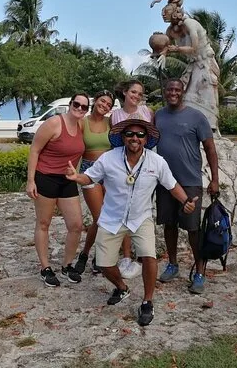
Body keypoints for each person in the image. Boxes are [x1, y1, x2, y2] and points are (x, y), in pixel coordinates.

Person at [66, 118, 198, 326]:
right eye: (130, 134)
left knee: (149, 257)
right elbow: (90, 177)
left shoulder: (157, 161)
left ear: (146, 139)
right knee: (104, 264)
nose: (135, 138)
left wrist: (186, 201)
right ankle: (122, 288)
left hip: (140, 217)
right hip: (112, 217)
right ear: (123, 137)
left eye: (140, 134)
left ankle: (147, 301)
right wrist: (76, 177)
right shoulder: (109, 158)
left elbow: (172, 185)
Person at [154, 78, 219, 294]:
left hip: (190, 182)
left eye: (177, 90)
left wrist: (215, 179)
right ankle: (172, 264)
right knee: (169, 225)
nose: (173, 93)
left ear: (183, 92)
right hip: (165, 182)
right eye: (169, 89)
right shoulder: (158, 116)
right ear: (165, 92)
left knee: (193, 229)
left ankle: (199, 271)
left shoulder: (196, 117)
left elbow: (210, 149)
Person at [26, 93, 88, 287]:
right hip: (46, 177)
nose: (79, 108)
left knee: (76, 225)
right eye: (76, 104)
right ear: (70, 104)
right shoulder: (54, 123)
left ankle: (67, 265)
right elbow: (34, 150)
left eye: (84, 107)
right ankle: (45, 267)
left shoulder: (81, 126)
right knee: (44, 223)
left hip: (67, 180)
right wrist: (30, 181)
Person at [151, 0, 220, 131]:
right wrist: (161, 54)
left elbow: (193, 48)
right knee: (184, 96)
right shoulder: (170, 30)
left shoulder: (190, 24)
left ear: (175, 12)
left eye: (166, 12)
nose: (163, 14)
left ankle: (210, 128)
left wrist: (175, 49)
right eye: (163, 12)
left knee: (197, 96)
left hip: (204, 63)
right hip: (192, 64)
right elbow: (166, 45)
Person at [108, 79, 153, 279]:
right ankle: (126, 256)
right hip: (122, 166)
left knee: (143, 208)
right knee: (123, 209)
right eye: (133, 92)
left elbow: (151, 138)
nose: (136, 96)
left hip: (145, 165)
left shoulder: (147, 112)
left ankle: (143, 255)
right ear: (125, 92)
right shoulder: (115, 115)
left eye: (140, 93)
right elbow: (114, 141)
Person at [73, 90, 115, 275]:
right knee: (99, 217)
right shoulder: (82, 122)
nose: (104, 105)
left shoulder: (111, 122)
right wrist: (73, 173)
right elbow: (74, 148)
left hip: (110, 171)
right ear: (95, 100)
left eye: (108, 104)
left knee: (110, 215)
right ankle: (85, 253)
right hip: (90, 171)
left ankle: (100, 256)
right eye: (102, 101)